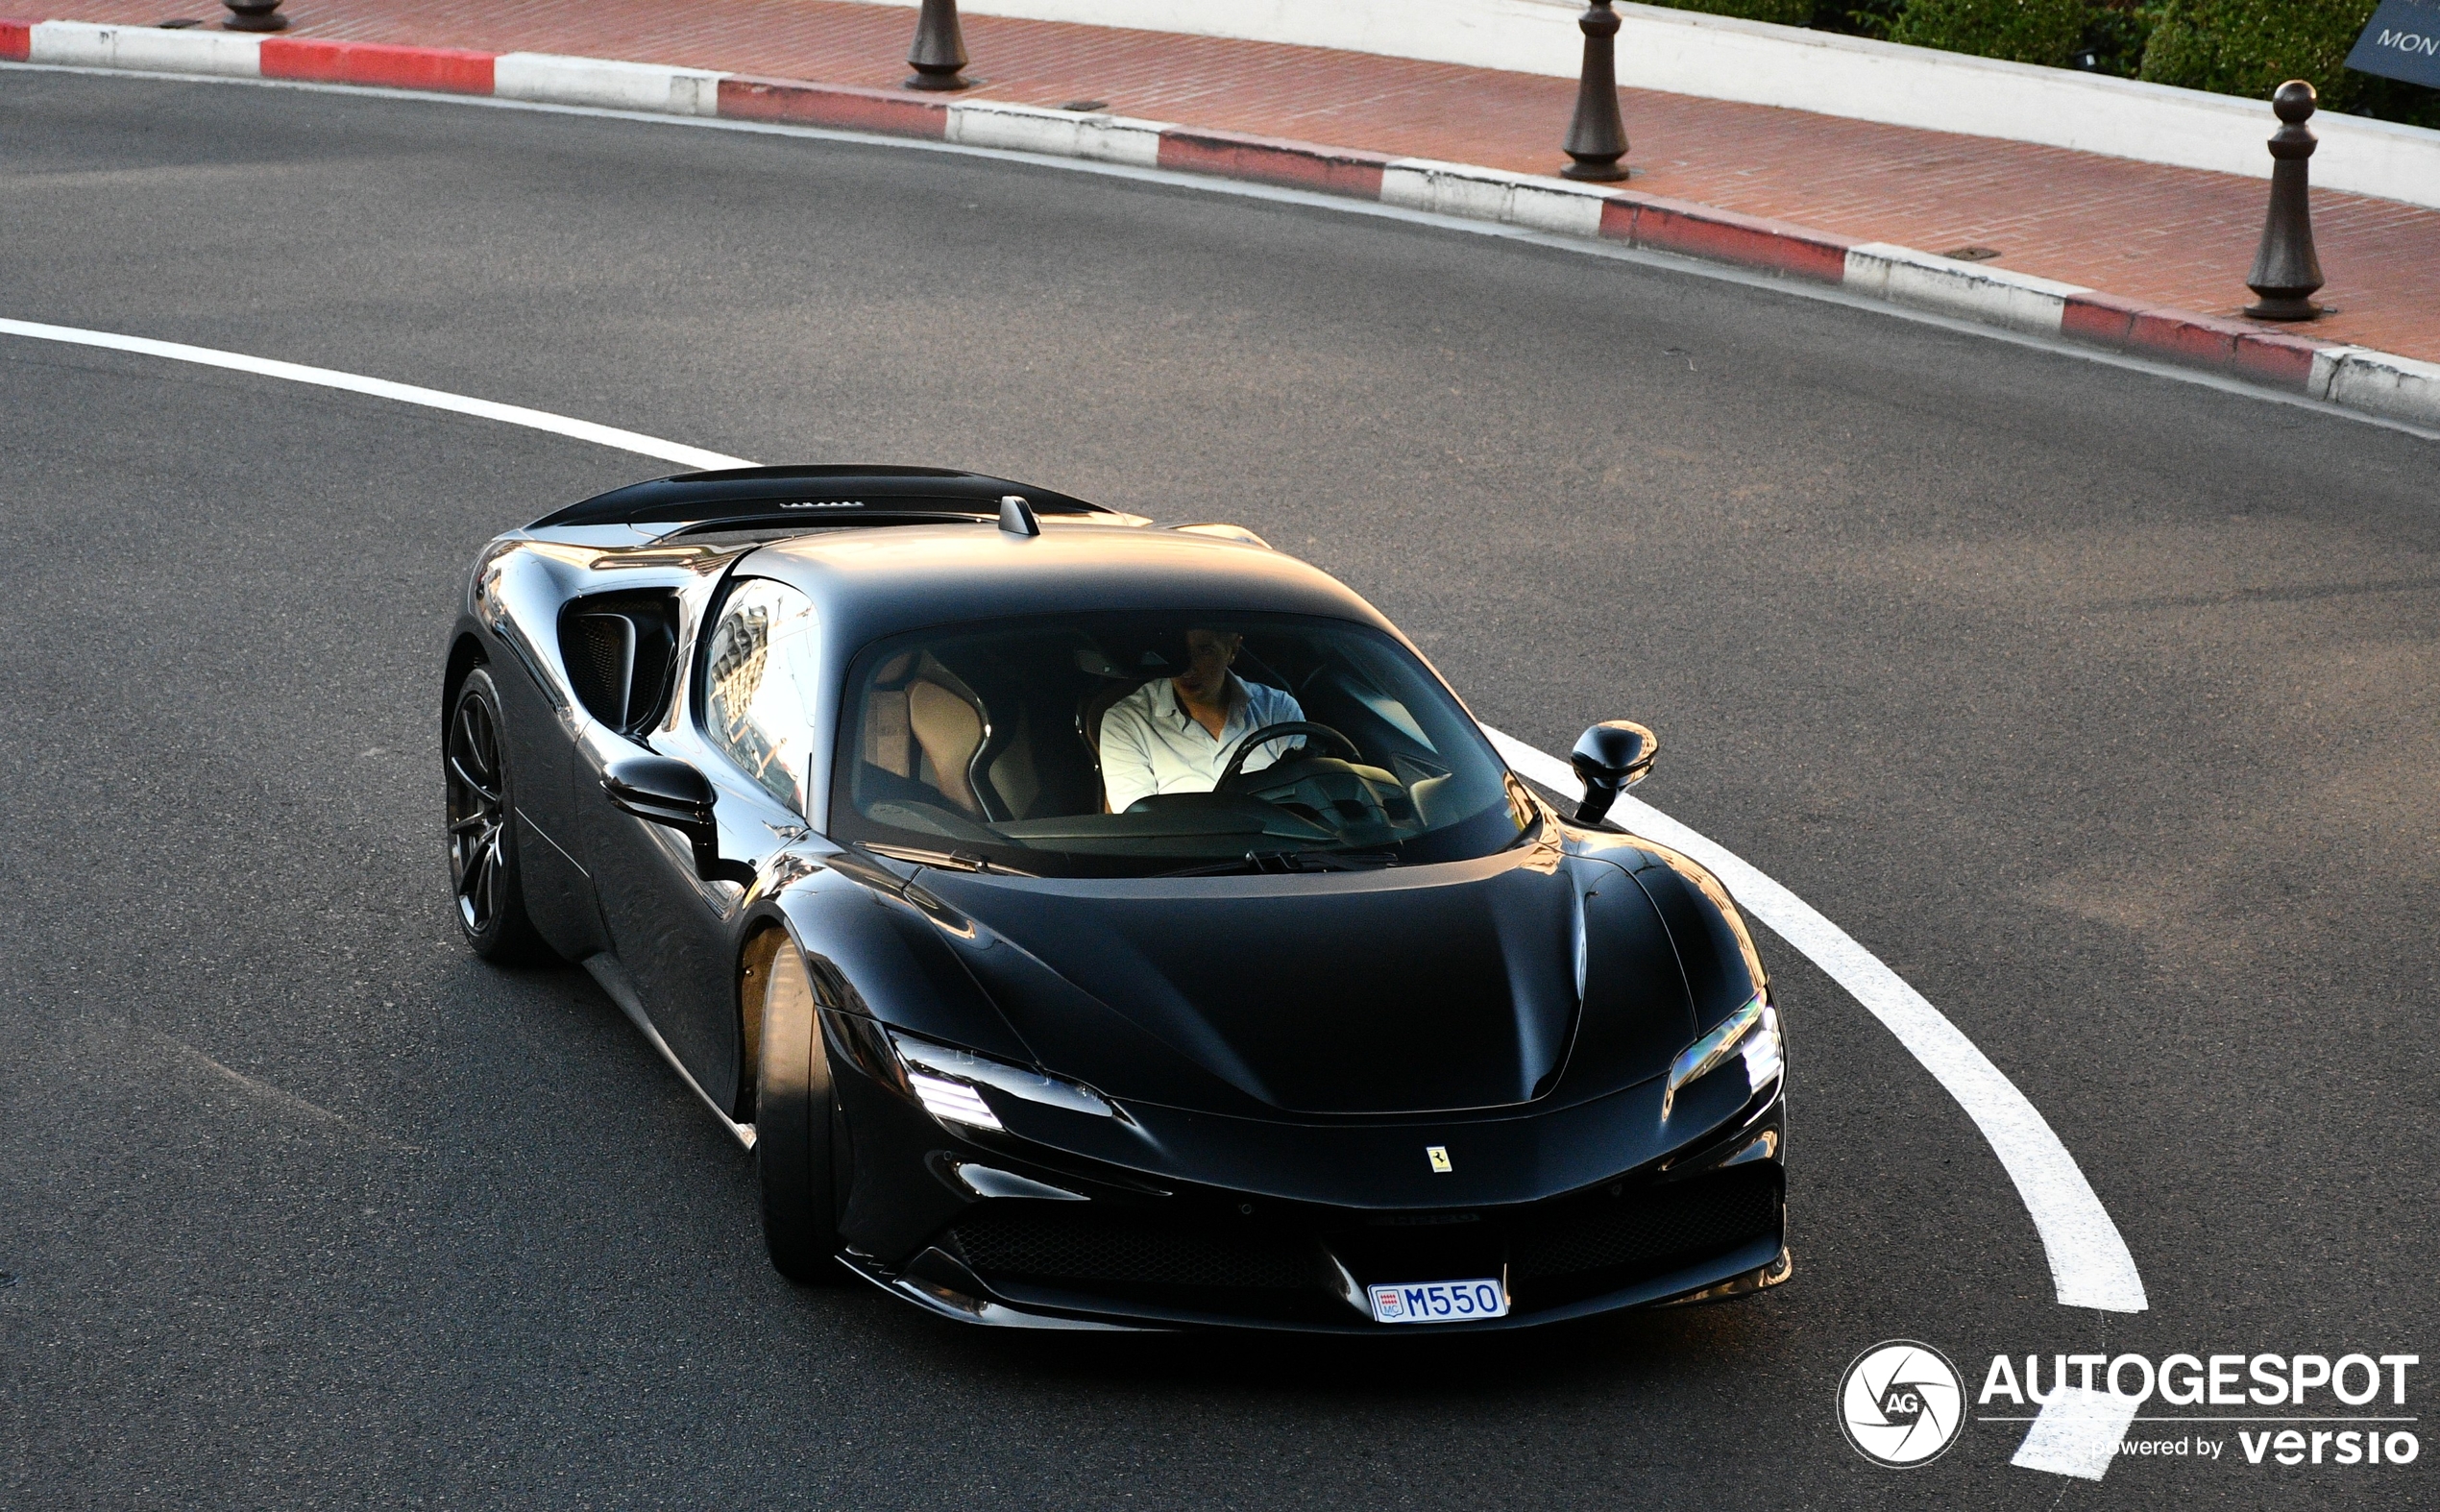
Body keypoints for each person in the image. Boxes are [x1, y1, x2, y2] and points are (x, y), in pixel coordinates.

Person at [1098, 627, 1305, 813]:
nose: (1188, 668)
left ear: (1233, 649)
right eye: (1178, 652)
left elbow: (1307, 801)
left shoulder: (1279, 709)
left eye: (1204, 651)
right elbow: (1141, 830)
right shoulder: (1127, 722)